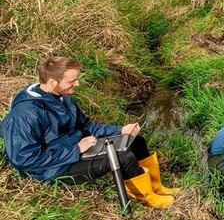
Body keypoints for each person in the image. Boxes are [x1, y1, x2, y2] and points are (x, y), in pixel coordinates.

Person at [0, 57, 179, 208]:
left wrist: (121, 130)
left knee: (136, 141)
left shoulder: (61, 98)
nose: (77, 84)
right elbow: (24, 159)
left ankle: (156, 186)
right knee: (123, 157)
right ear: (53, 82)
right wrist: (76, 150)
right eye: (72, 81)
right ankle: (145, 196)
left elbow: (87, 127)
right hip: (53, 169)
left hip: (75, 150)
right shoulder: (25, 114)